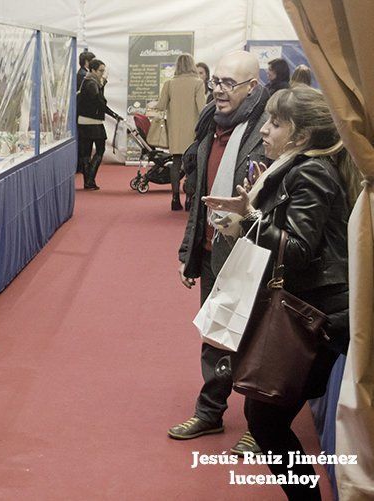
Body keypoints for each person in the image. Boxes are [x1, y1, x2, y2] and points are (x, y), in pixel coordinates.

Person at [202, 84, 358, 500]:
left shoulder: (309, 171)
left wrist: (251, 217)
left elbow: (301, 249)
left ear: (301, 136)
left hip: (312, 315)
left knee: (264, 418)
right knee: (263, 416)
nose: (265, 130)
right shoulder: (298, 166)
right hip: (307, 310)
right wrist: (245, 219)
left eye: (275, 122)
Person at [171, 50, 269, 456]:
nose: (219, 90)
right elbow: (199, 196)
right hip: (214, 248)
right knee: (216, 333)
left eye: (229, 83)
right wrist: (189, 250)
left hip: (254, 251)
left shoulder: (268, 128)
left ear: (252, 87)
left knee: (254, 339)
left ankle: (260, 425)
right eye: (216, 82)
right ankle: (209, 412)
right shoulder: (209, 120)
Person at [150, 54, 206, 210]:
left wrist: (151, 103)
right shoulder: (198, 83)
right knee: (191, 165)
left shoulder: (169, 84)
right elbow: (202, 108)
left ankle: (175, 199)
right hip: (193, 130)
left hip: (174, 129)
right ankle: (189, 198)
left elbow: (160, 106)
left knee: (176, 162)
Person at [77, 59, 121, 190]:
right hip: (93, 122)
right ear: (93, 70)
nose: (103, 73)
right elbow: (100, 102)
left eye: (104, 70)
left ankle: (88, 181)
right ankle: (90, 179)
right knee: (100, 149)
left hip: (84, 121)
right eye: (101, 71)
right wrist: (114, 115)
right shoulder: (92, 83)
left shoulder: (89, 82)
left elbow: (99, 102)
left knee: (86, 152)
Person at [76, 50, 96, 174]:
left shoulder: (84, 74)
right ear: (87, 62)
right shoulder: (84, 76)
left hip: (81, 111)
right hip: (82, 111)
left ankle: (83, 166)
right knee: (84, 141)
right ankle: (82, 166)